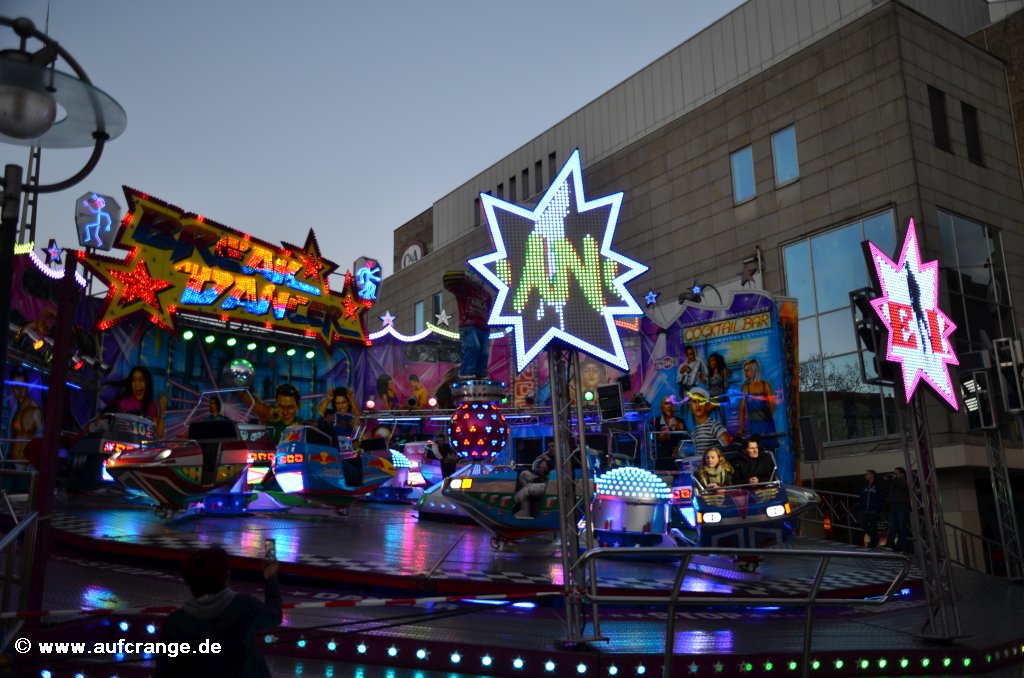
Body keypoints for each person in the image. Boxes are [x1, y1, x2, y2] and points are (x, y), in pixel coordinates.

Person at [156, 545, 281, 678]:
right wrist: (271, 578)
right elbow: (274, 617)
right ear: (227, 576)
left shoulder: (175, 622)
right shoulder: (243, 605)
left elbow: (165, 670)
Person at [443, 267, 495, 379]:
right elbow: (449, 279)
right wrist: (465, 277)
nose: (479, 278)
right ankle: (466, 371)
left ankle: (481, 373)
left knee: (484, 352)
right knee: (473, 347)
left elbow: (488, 310)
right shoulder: (465, 289)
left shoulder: (487, 295)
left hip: (483, 327)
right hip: (468, 324)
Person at [107, 365, 166, 439]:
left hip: (140, 445)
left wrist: (162, 411)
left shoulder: (151, 405)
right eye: (134, 380)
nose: (137, 383)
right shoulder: (123, 402)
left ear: (147, 383)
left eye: (141, 380)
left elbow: (159, 435)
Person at [738, 358, 775, 448]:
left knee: (769, 450)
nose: (745, 373)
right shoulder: (745, 388)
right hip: (754, 427)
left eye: (747, 370)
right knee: (756, 449)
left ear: (754, 370)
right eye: (744, 370)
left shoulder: (765, 385)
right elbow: (742, 410)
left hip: (767, 426)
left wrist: (764, 420)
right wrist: (742, 428)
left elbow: (772, 407)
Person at [8, 367, 42, 461]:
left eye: (22, 386)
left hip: (27, 464)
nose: (20, 391)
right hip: (11, 463)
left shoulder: (35, 411)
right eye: (16, 387)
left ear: (27, 387)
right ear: (12, 388)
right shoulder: (14, 410)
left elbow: (40, 438)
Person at [687, 386, 731, 457]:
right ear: (690, 407)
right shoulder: (694, 431)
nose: (697, 404)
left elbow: (728, 449)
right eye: (694, 402)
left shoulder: (714, 426)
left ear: (707, 405)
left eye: (701, 401)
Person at [514, 447, 553, 519]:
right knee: (523, 474)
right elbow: (542, 470)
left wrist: (548, 460)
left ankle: (513, 502)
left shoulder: (558, 458)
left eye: (553, 447)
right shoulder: (549, 458)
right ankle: (525, 509)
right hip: (543, 479)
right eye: (550, 447)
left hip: (550, 483)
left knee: (528, 488)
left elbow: (555, 470)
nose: (551, 448)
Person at [651, 395, 685, 472]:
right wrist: (662, 435)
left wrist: (681, 429)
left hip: (677, 459)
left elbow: (686, 438)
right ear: (661, 408)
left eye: (671, 403)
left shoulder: (680, 421)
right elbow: (653, 438)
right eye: (666, 403)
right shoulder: (655, 421)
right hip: (661, 459)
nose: (669, 406)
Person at [886, 467, 913, 553]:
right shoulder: (894, 482)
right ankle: (890, 545)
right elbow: (887, 489)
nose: (895, 474)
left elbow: (906, 486)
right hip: (893, 505)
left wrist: (896, 479)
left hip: (902, 506)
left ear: (902, 474)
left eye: (896, 473)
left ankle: (899, 547)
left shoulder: (905, 481)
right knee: (892, 526)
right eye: (894, 473)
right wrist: (887, 480)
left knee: (902, 527)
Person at [859, 469, 885, 548]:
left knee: (873, 527)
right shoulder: (865, 485)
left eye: (867, 474)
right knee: (863, 524)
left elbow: (880, 498)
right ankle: (875, 539)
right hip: (865, 510)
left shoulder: (878, 485)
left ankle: (873, 543)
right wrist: (861, 506)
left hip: (873, 510)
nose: (865, 476)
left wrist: (877, 509)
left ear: (872, 475)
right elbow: (861, 497)